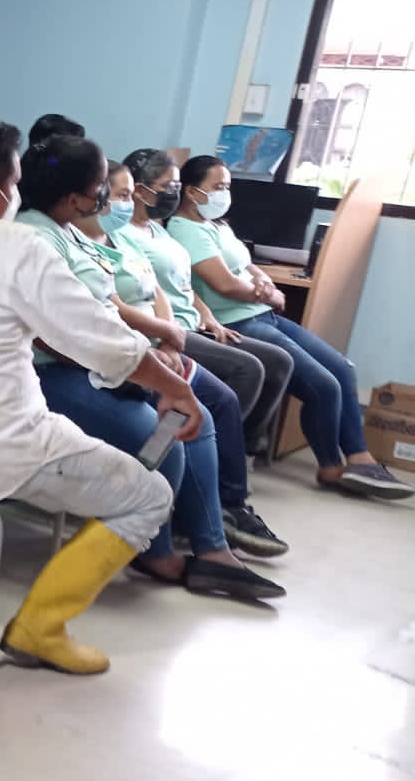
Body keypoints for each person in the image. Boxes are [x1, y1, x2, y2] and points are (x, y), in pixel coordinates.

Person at [0, 115, 207, 676]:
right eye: (15, 185)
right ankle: (40, 628)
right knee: (148, 496)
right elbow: (99, 339)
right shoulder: (14, 246)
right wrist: (175, 388)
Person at [15, 137, 285, 596]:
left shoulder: (69, 231)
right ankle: (154, 551)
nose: (105, 195)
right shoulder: (35, 238)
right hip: (54, 372)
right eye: (101, 186)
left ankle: (212, 548)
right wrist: (131, 363)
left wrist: (147, 349)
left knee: (192, 418)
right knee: (161, 438)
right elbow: (51, 335)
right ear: (74, 195)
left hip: (100, 359)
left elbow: (107, 301)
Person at [73, 159, 289, 558]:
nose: (125, 203)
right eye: (120, 195)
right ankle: (182, 511)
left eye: (127, 194)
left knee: (223, 398)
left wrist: (172, 337)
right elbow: (111, 305)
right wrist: (165, 338)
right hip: (129, 349)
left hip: (163, 339)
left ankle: (219, 504)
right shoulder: (82, 242)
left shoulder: (122, 238)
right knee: (198, 409)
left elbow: (161, 292)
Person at [169, 156, 412, 500]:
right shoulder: (184, 230)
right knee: (323, 386)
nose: (225, 193)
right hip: (236, 321)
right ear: (192, 192)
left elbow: (248, 265)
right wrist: (266, 293)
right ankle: (330, 466)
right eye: (217, 187)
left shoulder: (216, 225)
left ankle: (360, 458)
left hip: (261, 313)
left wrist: (263, 281)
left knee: (343, 370)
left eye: (227, 186)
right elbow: (224, 284)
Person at [117, 149, 294, 459]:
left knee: (278, 362)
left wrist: (207, 314)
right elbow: (144, 293)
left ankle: (235, 452)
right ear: (140, 190)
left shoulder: (158, 228)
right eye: (168, 186)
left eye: (177, 185)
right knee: (246, 370)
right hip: (168, 330)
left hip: (189, 323)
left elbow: (181, 284)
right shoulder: (123, 235)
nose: (174, 192)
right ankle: (179, 454)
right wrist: (169, 336)